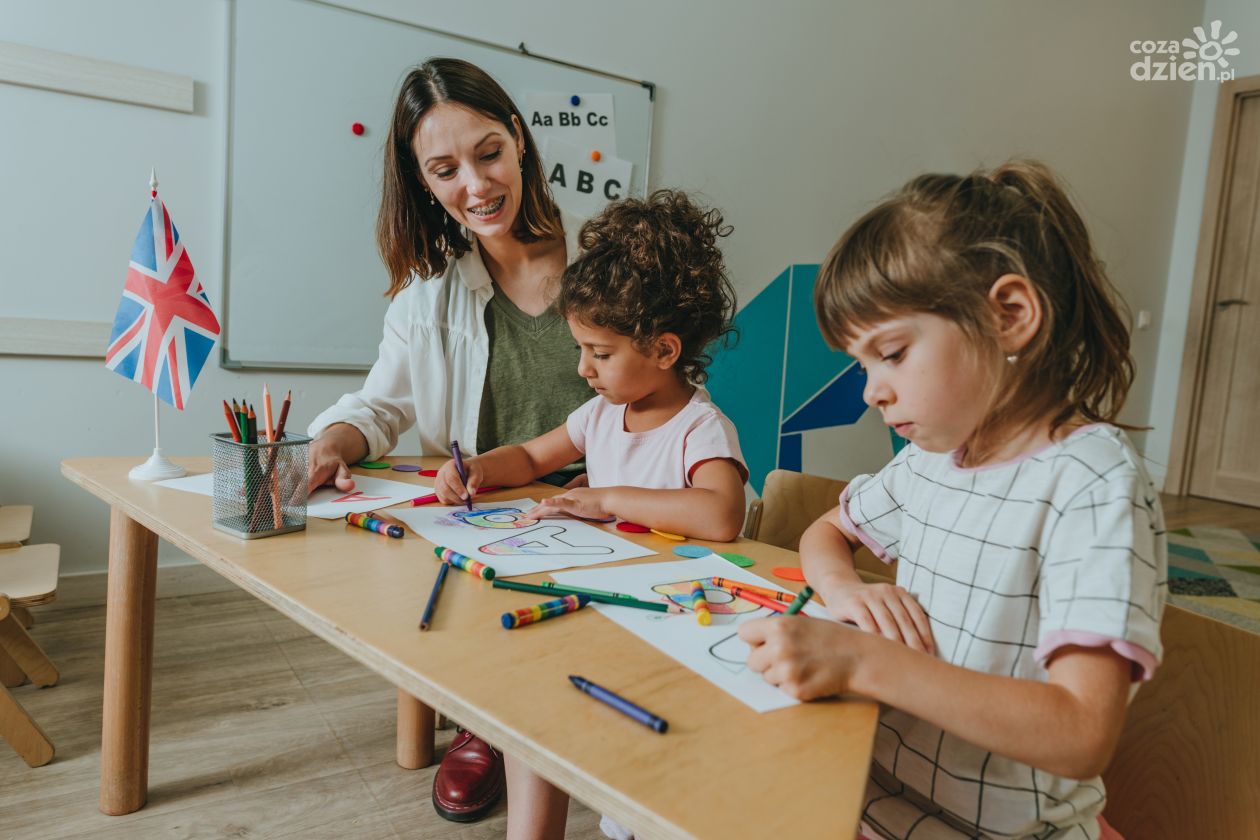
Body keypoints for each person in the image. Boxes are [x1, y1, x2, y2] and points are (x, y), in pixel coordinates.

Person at [739, 161, 1166, 840]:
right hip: (868, 794)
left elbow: (1082, 733)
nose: (870, 391)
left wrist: (863, 660)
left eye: (893, 353)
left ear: (1010, 316)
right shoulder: (931, 460)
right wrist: (846, 590)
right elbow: (825, 533)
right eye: (862, 365)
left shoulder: (1093, 482)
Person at [306, 58, 594, 825]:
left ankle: (527, 720)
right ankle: (487, 722)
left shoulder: (605, 262)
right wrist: (334, 441)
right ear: (423, 182)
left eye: (489, 152)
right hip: (487, 519)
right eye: (445, 169)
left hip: (605, 513)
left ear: (521, 141)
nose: (476, 184)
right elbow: (378, 405)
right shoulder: (428, 292)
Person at [433, 190, 748, 839]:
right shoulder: (602, 414)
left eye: (599, 354)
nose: (584, 370)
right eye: (581, 349)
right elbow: (532, 455)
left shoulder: (700, 428)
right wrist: (484, 469)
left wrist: (604, 500)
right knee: (527, 701)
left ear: (664, 350)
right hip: (599, 604)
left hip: (670, 627)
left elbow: (719, 514)